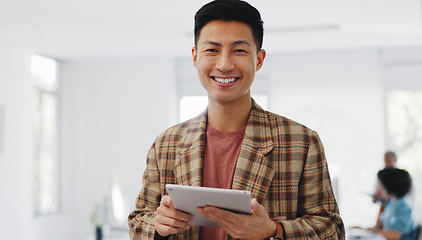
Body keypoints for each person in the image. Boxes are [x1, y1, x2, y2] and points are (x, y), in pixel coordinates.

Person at [128, 0, 345, 239]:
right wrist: (158, 227)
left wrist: (275, 230)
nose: (224, 65)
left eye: (239, 50)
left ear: (259, 59)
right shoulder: (166, 143)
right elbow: (139, 221)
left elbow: (332, 229)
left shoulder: (302, 142)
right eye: (212, 50)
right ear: (195, 57)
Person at [369, 168, 418, 240]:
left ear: (389, 186)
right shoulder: (391, 202)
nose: (379, 188)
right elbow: (381, 226)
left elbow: (396, 235)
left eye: (382, 185)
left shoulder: (403, 205)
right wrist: (363, 229)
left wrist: (373, 231)